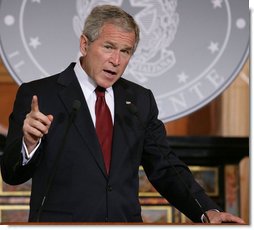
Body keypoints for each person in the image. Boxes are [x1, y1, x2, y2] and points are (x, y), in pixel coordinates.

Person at [1, 4, 245, 224]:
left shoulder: (139, 100)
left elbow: (165, 166)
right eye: (108, 47)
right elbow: (11, 174)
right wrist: (29, 144)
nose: (116, 60)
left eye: (126, 51)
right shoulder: (41, 95)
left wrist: (206, 210)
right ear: (85, 44)